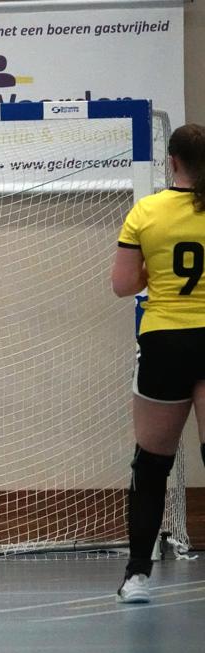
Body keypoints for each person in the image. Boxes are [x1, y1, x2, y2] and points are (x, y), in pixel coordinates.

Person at [111, 123, 205, 603]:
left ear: (172, 162)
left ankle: (137, 577)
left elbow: (123, 285)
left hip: (166, 339)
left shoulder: (146, 212)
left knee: (151, 464)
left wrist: (155, 267)